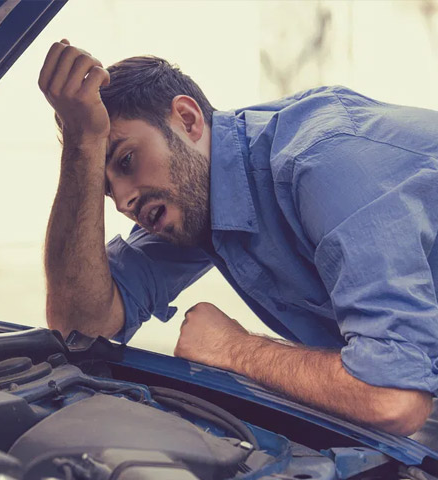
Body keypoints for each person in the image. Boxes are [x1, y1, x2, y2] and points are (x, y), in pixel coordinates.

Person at [39, 39, 438, 437]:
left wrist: (233, 349)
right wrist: (82, 146)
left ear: (187, 119)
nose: (123, 200)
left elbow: (393, 397)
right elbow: (79, 325)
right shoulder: (198, 199)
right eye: (107, 191)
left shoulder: (325, 165)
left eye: (126, 160)